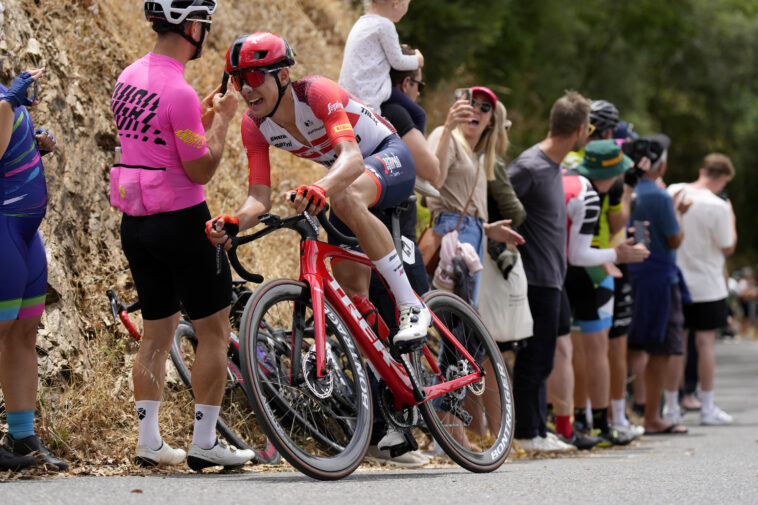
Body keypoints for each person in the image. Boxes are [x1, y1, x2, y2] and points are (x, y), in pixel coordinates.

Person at [207, 33, 434, 453]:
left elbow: (349, 156)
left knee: (345, 196)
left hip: (385, 157)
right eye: (238, 80)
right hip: (342, 182)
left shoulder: (316, 92)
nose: (246, 88)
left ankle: (412, 305)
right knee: (354, 303)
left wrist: (321, 186)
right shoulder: (254, 124)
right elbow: (259, 196)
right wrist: (234, 220)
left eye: (255, 75)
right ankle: (393, 404)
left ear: (283, 75)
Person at [111, 0, 254, 470]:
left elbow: (160, 142)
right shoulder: (180, 92)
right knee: (214, 331)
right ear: (193, 26)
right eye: (205, 25)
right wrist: (225, 120)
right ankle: (205, 440)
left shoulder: (127, 78)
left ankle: (149, 440)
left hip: (136, 222)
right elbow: (200, 167)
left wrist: (203, 119)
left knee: (155, 334)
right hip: (181, 219)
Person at [364, 51, 439, 466]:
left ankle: (387, 428)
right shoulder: (397, 108)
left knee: (373, 313)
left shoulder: (371, 103)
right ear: (406, 82)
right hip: (390, 214)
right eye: (420, 83)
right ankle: (393, 431)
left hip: (368, 206)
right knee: (401, 311)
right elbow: (433, 170)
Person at [549, 140, 649, 450]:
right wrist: (618, 253)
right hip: (593, 267)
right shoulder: (596, 190)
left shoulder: (565, 169)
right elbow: (617, 224)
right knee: (595, 348)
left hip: (561, 267)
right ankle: (600, 423)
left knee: (571, 349)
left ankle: (574, 420)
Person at [507, 91, 590, 451]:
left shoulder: (554, 166)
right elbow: (498, 204)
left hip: (553, 278)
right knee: (534, 358)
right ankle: (527, 433)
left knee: (544, 358)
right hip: (535, 277)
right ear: (580, 130)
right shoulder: (530, 166)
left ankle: (539, 430)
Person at [0, 59, 67, 471]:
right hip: (4, 227)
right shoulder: (5, 98)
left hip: (26, 234)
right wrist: (10, 100)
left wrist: (37, 140)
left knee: (24, 332)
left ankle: (22, 434)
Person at [425, 87, 524, 308]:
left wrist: (487, 229)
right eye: (471, 104)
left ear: (491, 121)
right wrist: (449, 126)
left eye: (484, 107)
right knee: (456, 319)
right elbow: (435, 182)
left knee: (464, 318)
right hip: (453, 233)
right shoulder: (446, 135)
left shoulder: (478, 158)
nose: (476, 110)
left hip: (473, 233)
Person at [626, 134, 691, 435]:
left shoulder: (629, 189)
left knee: (631, 343)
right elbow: (674, 237)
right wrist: (678, 212)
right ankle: (653, 414)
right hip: (660, 275)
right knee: (661, 346)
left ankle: (628, 409)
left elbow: (640, 234)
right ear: (660, 164)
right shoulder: (660, 196)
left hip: (632, 270)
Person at [666, 153, 737, 425]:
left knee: (677, 344)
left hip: (676, 278)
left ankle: (672, 406)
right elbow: (727, 245)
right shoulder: (718, 205)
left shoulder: (674, 191)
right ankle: (707, 407)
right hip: (707, 283)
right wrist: (729, 213)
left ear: (702, 170)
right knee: (705, 343)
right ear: (722, 178)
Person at [339, 0, 424, 120]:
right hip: (368, 102)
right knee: (419, 115)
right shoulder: (385, 25)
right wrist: (417, 60)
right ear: (396, 3)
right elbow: (398, 62)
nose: (407, 9)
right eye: (408, 4)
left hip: (347, 97)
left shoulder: (362, 22)